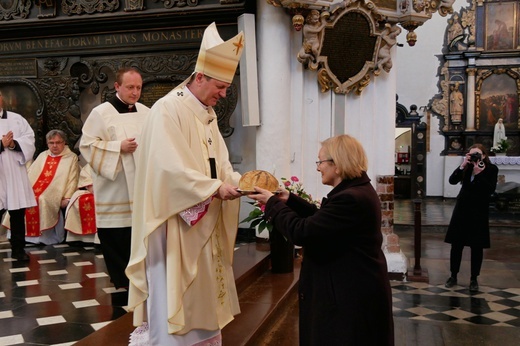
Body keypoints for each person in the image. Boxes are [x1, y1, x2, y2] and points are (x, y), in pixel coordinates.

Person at [126, 22, 244, 345]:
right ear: (200, 76)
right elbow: (167, 171)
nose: (223, 94)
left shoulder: (206, 113)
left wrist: (238, 182)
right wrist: (214, 189)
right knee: (173, 299)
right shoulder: (168, 110)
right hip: (173, 225)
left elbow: (220, 163)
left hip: (202, 220)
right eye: (220, 86)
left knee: (204, 297)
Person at [248, 134, 394, 346]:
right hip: (351, 288)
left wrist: (272, 204)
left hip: (349, 297)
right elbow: (323, 221)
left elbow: (303, 232)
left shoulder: (350, 198)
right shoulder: (355, 191)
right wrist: (289, 200)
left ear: (337, 164)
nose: (318, 168)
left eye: (320, 161)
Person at [80, 67, 150, 291]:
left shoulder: (147, 112)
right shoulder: (101, 113)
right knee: (117, 234)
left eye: (138, 87)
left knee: (138, 233)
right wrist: (118, 147)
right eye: (130, 87)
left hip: (141, 184)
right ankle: (121, 281)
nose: (135, 92)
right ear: (117, 86)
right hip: (115, 186)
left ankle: (141, 277)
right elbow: (87, 145)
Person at [4, 130, 79, 245]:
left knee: (41, 199)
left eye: (58, 142)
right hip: (35, 187)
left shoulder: (71, 157)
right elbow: (30, 173)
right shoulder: (43, 155)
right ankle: (18, 235)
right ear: (47, 143)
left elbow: (73, 178)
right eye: (51, 142)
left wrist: (67, 197)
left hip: (55, 191)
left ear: (64, 142)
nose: (54, 146)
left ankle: (43, 238)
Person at [444, 144, 498, 292]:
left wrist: (479, 173)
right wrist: (462, 166)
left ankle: (474, 278)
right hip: (462, 210)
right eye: (471, 154)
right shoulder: (466, 168)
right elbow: (452, 181)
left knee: (476, 247)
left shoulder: (491, 169)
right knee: (456, 245)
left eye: (477, 154)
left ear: (484, 156)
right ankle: (453, 275)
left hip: (478, 211)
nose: (474, 157)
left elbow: (490, 189)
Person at [0, 90, 37, 261]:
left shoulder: (16, 119)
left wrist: (14, 144)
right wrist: (1, 144)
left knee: (17, 214)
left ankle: (18, 250)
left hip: (14, 172)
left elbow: (30, 138)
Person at [64, 164, 99, 244]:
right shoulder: (91, 165)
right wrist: (94, 190)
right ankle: (78, 238)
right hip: (93, 191)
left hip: (111, 194)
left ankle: (99, 239)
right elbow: (88, 180)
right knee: (79, 199)